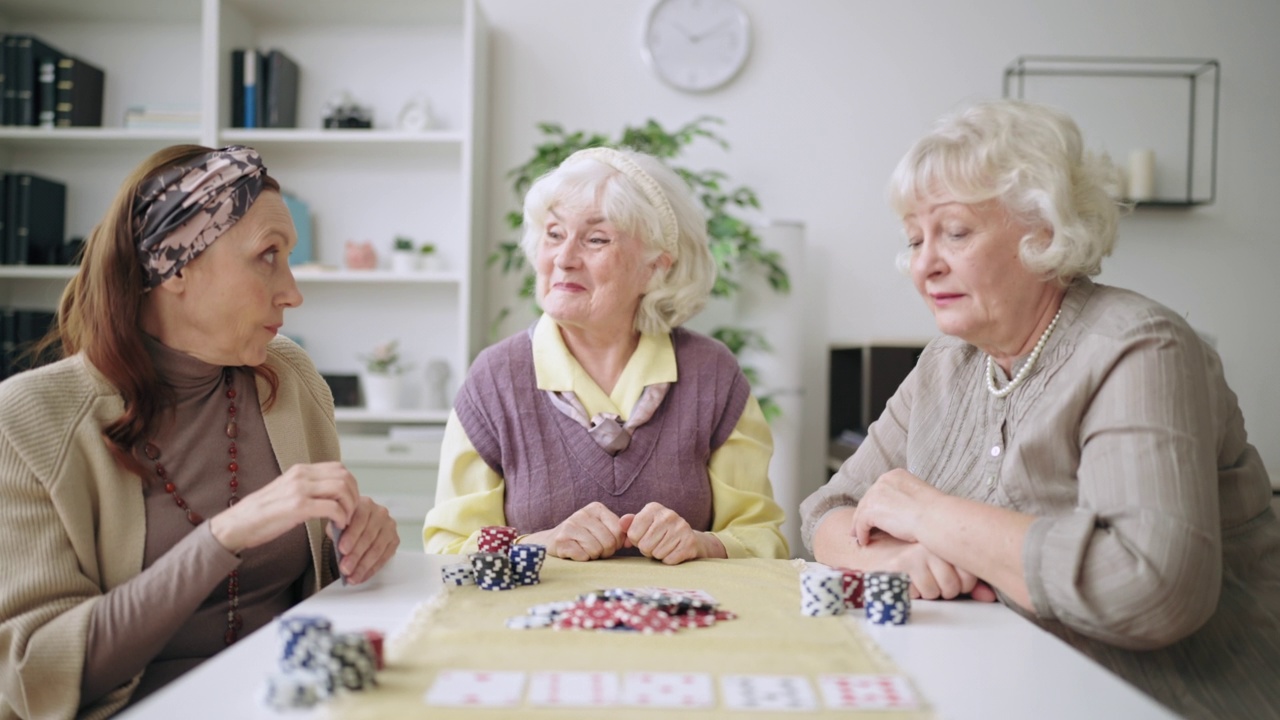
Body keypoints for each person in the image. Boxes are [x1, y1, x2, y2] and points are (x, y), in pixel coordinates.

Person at [800, 100, 1279, 719]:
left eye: (955, 232)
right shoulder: (947, 362)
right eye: (915, 239)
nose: (924, 264)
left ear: (1045, 230)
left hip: (1162, 700)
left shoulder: (1137, 347)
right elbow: (825, 513)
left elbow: (1151, 589)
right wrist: (894, 560)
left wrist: (933, 516)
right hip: (1000, 685)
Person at [0, 145, 400, 719]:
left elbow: (318, 588)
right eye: (268, 255)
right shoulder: (27, 420)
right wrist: (224, 537)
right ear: (177, 264)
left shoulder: (290, 379)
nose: (292, 291)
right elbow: (33, 673)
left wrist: (359, 541)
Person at [424, 147, 787, 564]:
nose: (563, 259)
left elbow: (764, 540)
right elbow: (447, 549)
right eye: (554, 234)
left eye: (596, 239)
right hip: (535, 627)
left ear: (655, 268)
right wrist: (539, 545)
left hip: (682, 625)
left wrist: (704, 544)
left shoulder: (712, 374)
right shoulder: (494, 378)